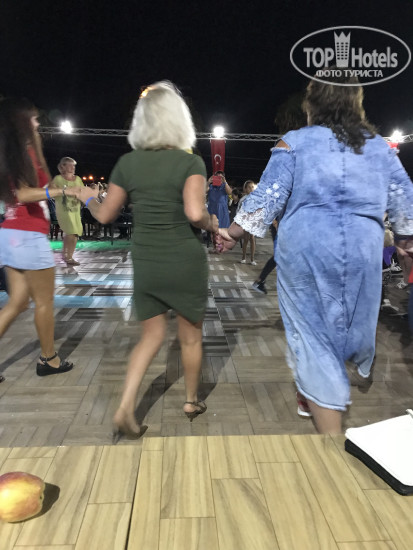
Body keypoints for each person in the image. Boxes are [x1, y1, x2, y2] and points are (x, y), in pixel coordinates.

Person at [217, 74, 413, 434]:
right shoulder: (379, 148)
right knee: (349, 324)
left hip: (307, 252)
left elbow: (266, 199)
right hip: (363, 251)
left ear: (313, 105)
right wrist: (404, 242)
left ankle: (330, 434)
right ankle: (327, 385)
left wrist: (231, 233)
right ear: (356, 104)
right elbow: (404, 199)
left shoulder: (294, 143)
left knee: (313, 338)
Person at [76, 81, 218, 442]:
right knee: (190, 338)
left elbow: (104, 215)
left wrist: (87, 197)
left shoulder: (128, 163)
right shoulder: (190, 161)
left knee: (151, 336)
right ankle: (191, 401)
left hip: (147, 260)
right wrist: (212, 222)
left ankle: (126, 406)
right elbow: (194, 213)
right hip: (184, 260)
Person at [0, 98, 76, 380]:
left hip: (10, 232)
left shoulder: (12, 153)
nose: (37, 123)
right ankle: (49, 359)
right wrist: (61, 191)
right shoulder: (24, 153)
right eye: (32, 118)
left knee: (18, 303)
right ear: (21, 122)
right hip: (28, 234)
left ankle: (48, 357)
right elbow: (23, 194)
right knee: (44, 302)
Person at [50, 157, 84, 265]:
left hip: (75, 210)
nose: (73, 167)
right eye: (70, 165)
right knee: (71, 231)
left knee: (76, 233)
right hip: (63, 210)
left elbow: (83, 192)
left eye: (74, 165)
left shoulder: (78, 179)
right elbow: (51, 191)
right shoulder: (58, 179)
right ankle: (67, 257)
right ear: (63, 166)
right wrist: (63, 191)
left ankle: (68, 255)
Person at [252, 220, 278, 294]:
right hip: (280, 227)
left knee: (279, 256)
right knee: (279, 256)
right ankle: (260, 281)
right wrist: (276, 223)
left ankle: (260, 281)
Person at [207, 170, 231, 249]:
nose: (218, 179)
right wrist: (208, 182)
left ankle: (221, 246)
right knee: (213, 229)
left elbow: (230, 192)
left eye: (220, 177)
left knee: (222, 229)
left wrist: (225, 182)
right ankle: (215, 246)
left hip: (222, 210)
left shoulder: (224, 186)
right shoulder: (211, 186)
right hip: (212, 209)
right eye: (217, 177)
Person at [237, 180, 257, 264]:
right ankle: (243, 257)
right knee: (246, 239)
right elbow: (239, 211)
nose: (251, 189)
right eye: (249, 187)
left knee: (252, 238)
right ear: (245, 189)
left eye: (252, 187)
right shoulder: (243, 199)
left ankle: (252, 259)